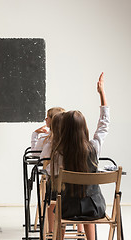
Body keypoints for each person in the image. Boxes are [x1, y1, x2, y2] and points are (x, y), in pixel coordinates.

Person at [50, 72, 108, 240]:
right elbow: (104, 124)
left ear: (64, 130)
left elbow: (51, 177)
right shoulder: (95, 147)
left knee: (59, 206)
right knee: (88, 196)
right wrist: (102, 93)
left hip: (68, 209)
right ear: (84, 128)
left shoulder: (58, 154)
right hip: (95, 209)